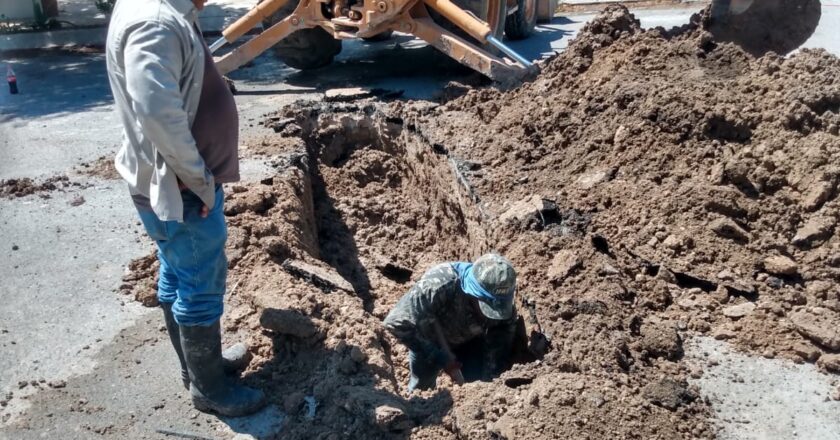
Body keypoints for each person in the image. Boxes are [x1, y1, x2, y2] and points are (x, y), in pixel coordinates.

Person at [105, 0, 266, 416]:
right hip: (182, 189)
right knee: (199, 283)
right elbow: (156, 110)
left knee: (177, 269)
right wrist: (197, 176)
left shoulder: (161, 12)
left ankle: (197, 372)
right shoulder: (153, 23)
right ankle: (210, 390)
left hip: (174, 183)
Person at [384, 253, 519, 392]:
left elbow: (501, 336)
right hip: (430, 340)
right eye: (487, 306)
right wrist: (439, 357)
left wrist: (491, 384)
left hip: (471, 340)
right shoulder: (439, 285)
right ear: (472, 292)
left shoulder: (502, 298)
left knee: (476, 384)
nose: (492, 315)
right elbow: (395, 322)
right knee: (422, 389)